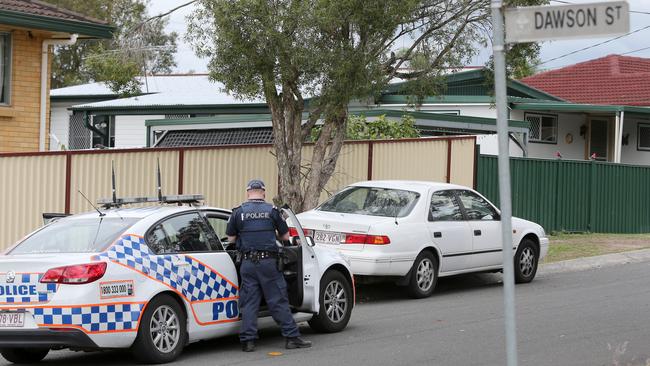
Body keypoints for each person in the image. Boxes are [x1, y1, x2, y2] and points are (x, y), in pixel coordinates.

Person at [226, 179, 312, 352]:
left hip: (248, 264)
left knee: (250, 303)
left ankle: (248, 341)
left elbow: (231, 239)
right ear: (263, 192)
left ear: (248, 192)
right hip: (268, 263)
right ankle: (291, 337)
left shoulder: (238, 212)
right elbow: (286, 237)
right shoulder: (272, 211)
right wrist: (272, 235)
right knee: (278, 300)